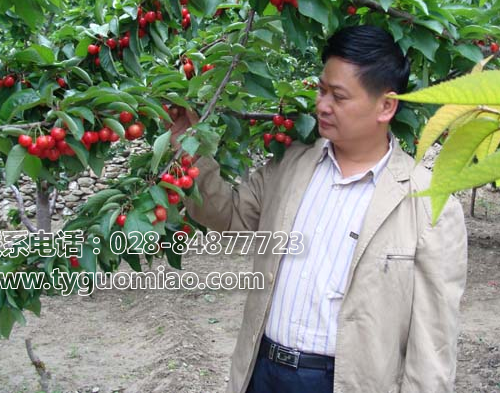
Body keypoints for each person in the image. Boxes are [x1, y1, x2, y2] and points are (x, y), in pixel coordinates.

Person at [173, 25, 468, 393]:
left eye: (339, 96)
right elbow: (229, 216)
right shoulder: (290, 166)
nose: (323, 105)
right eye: (321, 90)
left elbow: (433, 344)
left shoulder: (428, 205)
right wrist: (188, 149)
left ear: (386, 106)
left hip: (341, 383)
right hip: (262, 370)